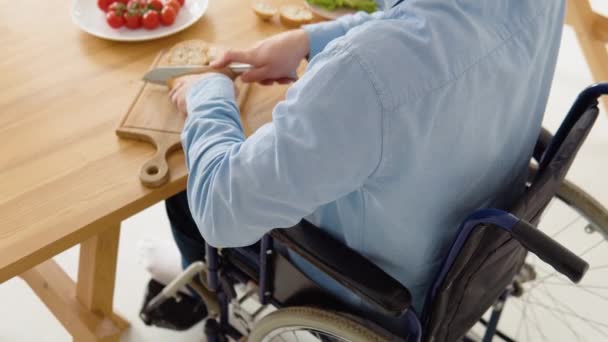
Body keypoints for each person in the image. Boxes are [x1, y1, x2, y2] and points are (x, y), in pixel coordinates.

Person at [138, 0, 566, 334]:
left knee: (188, 189)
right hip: (481, 244)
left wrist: (208, 95)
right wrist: (309, 42)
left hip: (378, 295)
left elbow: (220, 210)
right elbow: (427, 21)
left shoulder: (361, 74)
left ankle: (202, 286)